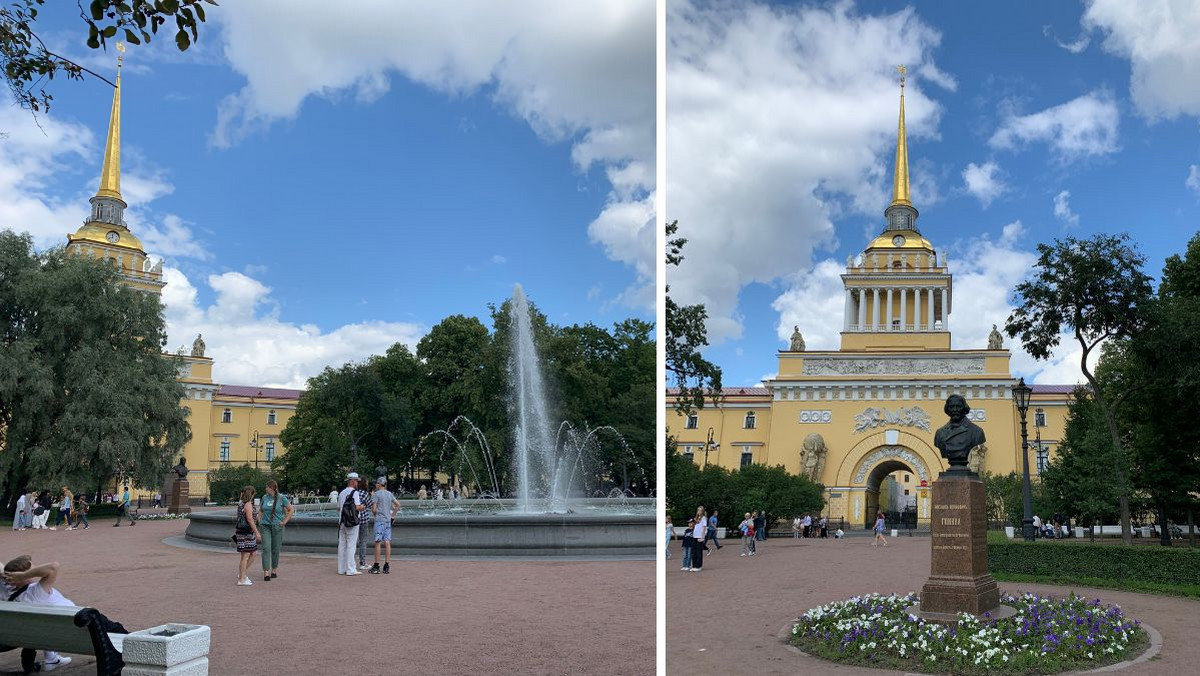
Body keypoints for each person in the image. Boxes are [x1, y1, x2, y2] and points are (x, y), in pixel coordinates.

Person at [1, 556, 74, 671]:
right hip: (73, 625)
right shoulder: (36, 592)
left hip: (32, 633)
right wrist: (24, 575)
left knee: (43, 619)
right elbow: (53, 567)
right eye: (32, 570)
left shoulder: (5, 593)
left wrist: (10, 576)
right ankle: (51, 658)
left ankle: (52, 658)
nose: (35, 572)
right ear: (21, 576)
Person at [258, 480, 294, 582]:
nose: (265, 489)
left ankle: (274, 570)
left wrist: (284, 522)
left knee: (275, 549)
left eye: (267, 487)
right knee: (266, 548)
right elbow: (260, 510)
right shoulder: (264, 498)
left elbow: (291, 509)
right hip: (265, 526)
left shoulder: (281, 498)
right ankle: (266, 572)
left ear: (272, 488)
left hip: (277, 527)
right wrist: (260, 521)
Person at [370, 477, 402, 574]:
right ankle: (386, 565)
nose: (376, 485)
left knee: (378, 542)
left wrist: (375, 513)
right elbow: (398, 505)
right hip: (388, 521)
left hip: (379, 520)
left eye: (377, 483)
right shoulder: (389, 494)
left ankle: (376, 565)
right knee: (387, 542)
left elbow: (374, 510)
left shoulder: (376, 494)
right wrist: (393, 515)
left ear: (379, 484)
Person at [337, 473, 366, 575]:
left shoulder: (341, 493)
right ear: (353, 481)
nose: (357, 483)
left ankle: (341, 569)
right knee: (351, 545)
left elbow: (338, 508)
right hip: (352, 523)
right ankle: (350, 569)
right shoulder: (355, 493)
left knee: (342, 545)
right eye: (357, 481)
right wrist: (362, 507)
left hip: (342, 522)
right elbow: (357, 507)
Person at [234, 486, 261, 586]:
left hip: (242, 532)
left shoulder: (241, 503)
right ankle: (241, 579)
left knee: (253, 553)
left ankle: (242, 574)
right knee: (245, 556)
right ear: (252, 494)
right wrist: (257, 532)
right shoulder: (248, 504)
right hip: (246, 533)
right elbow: (249, 519)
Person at [355, 478, 375, 570]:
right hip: (363, 520)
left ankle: (350, 561)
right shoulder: (365, 494)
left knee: (353, 541)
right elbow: (372, 506)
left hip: (354, 520)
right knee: (363, 541)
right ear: (364, 484)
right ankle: (363, 563)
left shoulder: (355, 493)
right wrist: (373, 497)